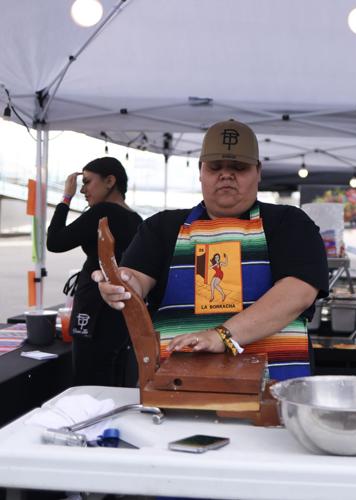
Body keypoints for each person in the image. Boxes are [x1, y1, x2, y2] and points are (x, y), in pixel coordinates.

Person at [93, 119, 328, 381]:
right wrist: (119, 283)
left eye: (239, 167)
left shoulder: (290, 223)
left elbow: (298, 293)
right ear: (201, 171)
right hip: (178, 387)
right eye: (216, 167)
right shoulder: (162, 227)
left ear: (258, 171)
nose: (226, 175)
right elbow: (136, 281)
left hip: (272, 389)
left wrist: (222, 336)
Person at [47, 157, 142, 387]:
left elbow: (55, 241)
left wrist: (65, 198)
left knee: (88, 380)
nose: (82, 190)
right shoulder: (135, 219)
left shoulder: (104, 212)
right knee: (115, 377)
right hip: (122, 312)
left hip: (95, 311)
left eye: (88, 182)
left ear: (110, 181)